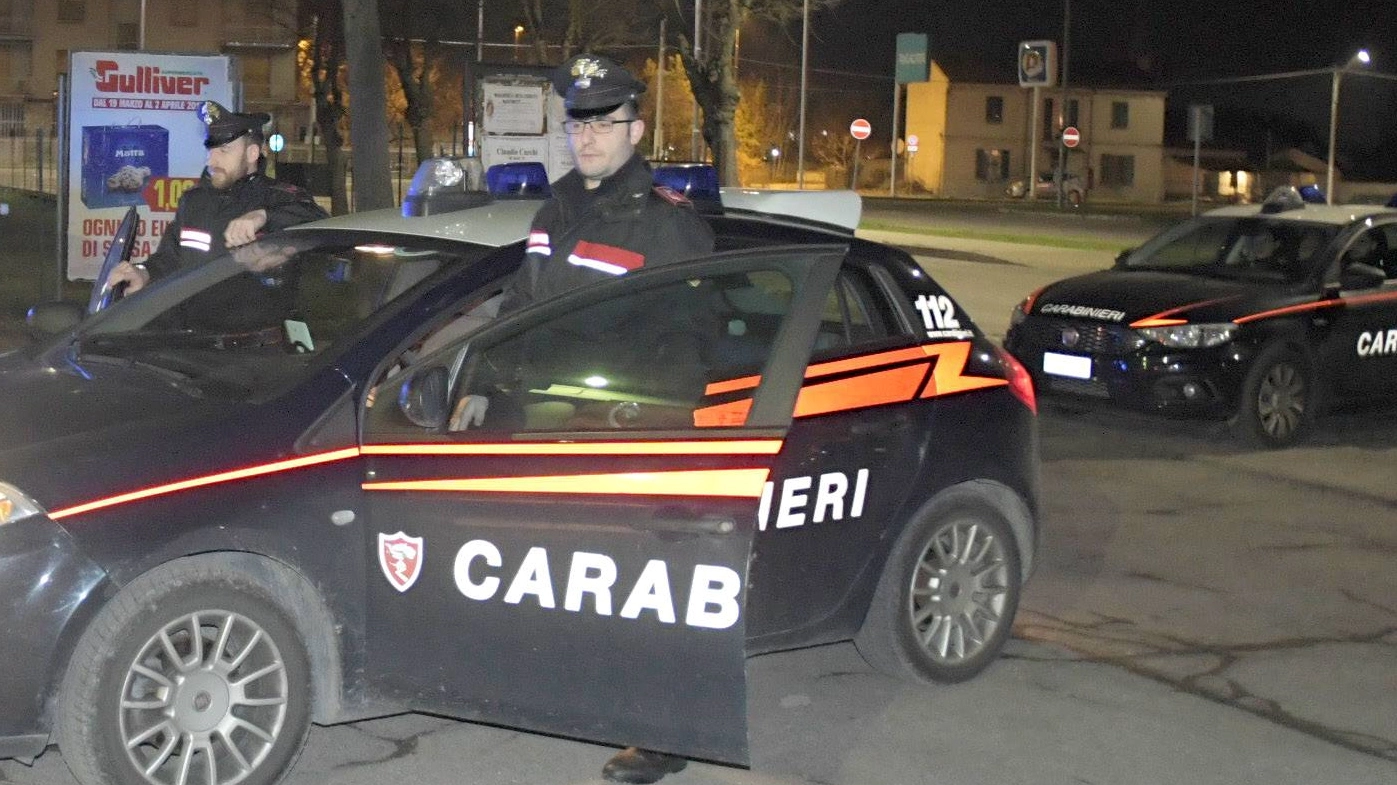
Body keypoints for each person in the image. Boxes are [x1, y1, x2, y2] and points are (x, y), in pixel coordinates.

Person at [451, 53, 715, 443]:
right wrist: (480, 386)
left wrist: (635, 425)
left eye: (604, 124)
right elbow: (519, 308)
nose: (586, 139)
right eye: (577, 124)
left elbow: (687, 345)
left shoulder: (666, 224)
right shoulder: (552, 214)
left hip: (614, 427)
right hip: (543, 414)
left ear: (635, 131)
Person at [106, 101, 327, 296]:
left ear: (251, 154)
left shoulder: (276, 197)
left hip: (255, 339)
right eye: (210, 150)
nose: (211, 160)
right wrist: (143, 273)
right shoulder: (195, 201)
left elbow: (321, 224)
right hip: (193, 334)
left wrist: (263, 216)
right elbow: (170, 260)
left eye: (223, 151)